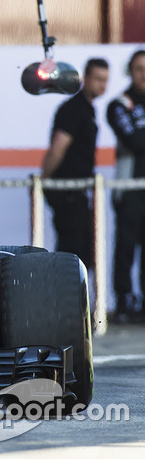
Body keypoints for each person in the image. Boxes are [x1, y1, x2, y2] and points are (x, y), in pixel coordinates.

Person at [42, 58, 109, 268]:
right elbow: (58, 148)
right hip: (67, 191)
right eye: (97, 79)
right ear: (85, 78)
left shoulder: (87, 109)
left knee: (82, 253)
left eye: (105, 80)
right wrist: (44, 181)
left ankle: (75, 299)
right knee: (72, 254)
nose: (102, 85)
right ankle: (68, 300)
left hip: (76, 191)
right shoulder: (74, 109)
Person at [107, 50, 145, 323]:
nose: (143, 74)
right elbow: (135, 143)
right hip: (129, 187)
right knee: (126, 247)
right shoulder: (119, 103)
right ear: (130, 72)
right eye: (138, 69)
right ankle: (123, 301)